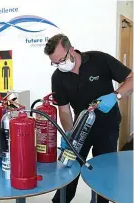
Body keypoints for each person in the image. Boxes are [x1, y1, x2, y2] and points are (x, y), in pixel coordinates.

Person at [43, 33, 133, 203]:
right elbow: (64, 109)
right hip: (81, 127)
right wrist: (69, 134)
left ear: (71, 50)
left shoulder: (99, 60)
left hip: (108, 126)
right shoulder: (58, 77)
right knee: (68, 170)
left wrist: (116, 96)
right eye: (54, 63)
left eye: (62, 60)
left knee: (104, 174)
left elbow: (132, 79)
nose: (59, 65)